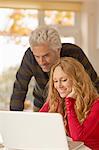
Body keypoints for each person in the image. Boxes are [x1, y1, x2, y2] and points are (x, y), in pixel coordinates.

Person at [10, 26, 99, 112]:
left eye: (46, 55)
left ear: (58, 50)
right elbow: (19, 88)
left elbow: (94, 83)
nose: (41, 61)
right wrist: (14, 118)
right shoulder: (29, 57)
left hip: (75, 104)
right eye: (37, 56)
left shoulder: (75, 53)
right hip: (42, 102)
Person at [39, 57, 99, 150]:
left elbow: (78, 138)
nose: (59, 86)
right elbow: (38, 122)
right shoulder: (56, 101)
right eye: (55, 81)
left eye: (64, 80)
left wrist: (69, 102)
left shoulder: (96, 105)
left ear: (77, 80)